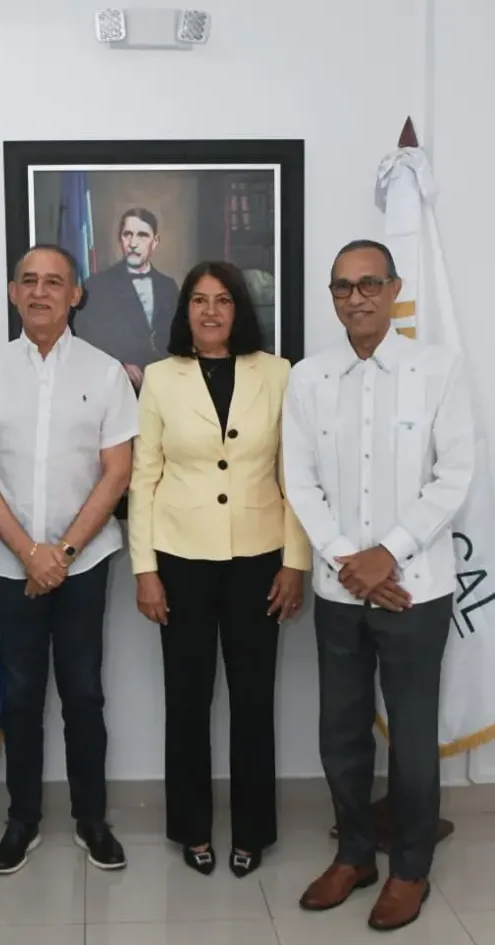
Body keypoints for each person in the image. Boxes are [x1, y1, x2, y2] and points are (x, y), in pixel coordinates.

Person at [282, 239, 474, 930]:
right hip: (341, 593)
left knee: (412, 738)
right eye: (341, 287)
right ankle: (354, 854)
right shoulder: (308, 377)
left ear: (392, 290)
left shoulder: (438, 370)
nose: (355, 298)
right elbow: (297, 480)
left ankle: (410, 868)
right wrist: (345, 559)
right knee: (340, 732)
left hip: (414, 590)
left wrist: (385, 556)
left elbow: (452, 475)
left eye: (368, 284)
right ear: (331, 296)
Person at [0, 244, 138, 875]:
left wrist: (61, 553)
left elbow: (117, 473)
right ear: (12, 292)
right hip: (11, 564)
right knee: (22, 694)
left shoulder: (107, 372)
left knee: (84, 694)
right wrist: (29, 552)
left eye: (54, 282)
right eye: (28, 281)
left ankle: (91, 819)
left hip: (83, 564)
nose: (40, 292)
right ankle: (22, 819)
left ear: (75, 295)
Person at [128, 260, 311, 878]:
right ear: (185, 312)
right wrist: (144, 570)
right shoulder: (159, 378)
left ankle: (253, 830)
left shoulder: (278, 374)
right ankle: (192, 827)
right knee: (187, 700)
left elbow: (295, 477)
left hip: (259, 560)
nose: (211, 311)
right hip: (180, 561)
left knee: (254, 701)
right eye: (199, 300)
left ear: (240, 310)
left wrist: (295, 562)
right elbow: (143, 476)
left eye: (223, 300)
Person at [72, 207, 179, 390]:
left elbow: (177, 338)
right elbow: (84, 340)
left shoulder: (168, 286)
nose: (133, 243)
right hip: (114, 387)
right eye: (127, 235)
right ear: (120, 240)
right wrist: (119, 365)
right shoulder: (97, 286)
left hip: (164, 387)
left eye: (142, 235)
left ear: (155, 241)